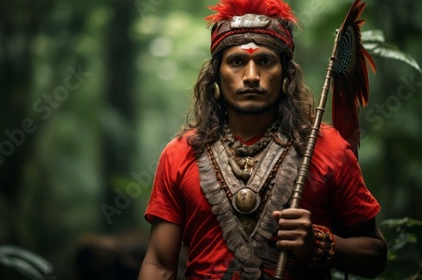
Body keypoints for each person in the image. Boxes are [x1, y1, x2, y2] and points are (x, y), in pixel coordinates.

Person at [138, 0, 387, 279]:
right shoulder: (179, 153)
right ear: (216, 76)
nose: (252, 76)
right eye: (237, 62)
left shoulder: (328, 147)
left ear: (285, 75)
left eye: (265, 61)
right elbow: (159, 265)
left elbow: (375, 255)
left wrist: (317, 243)